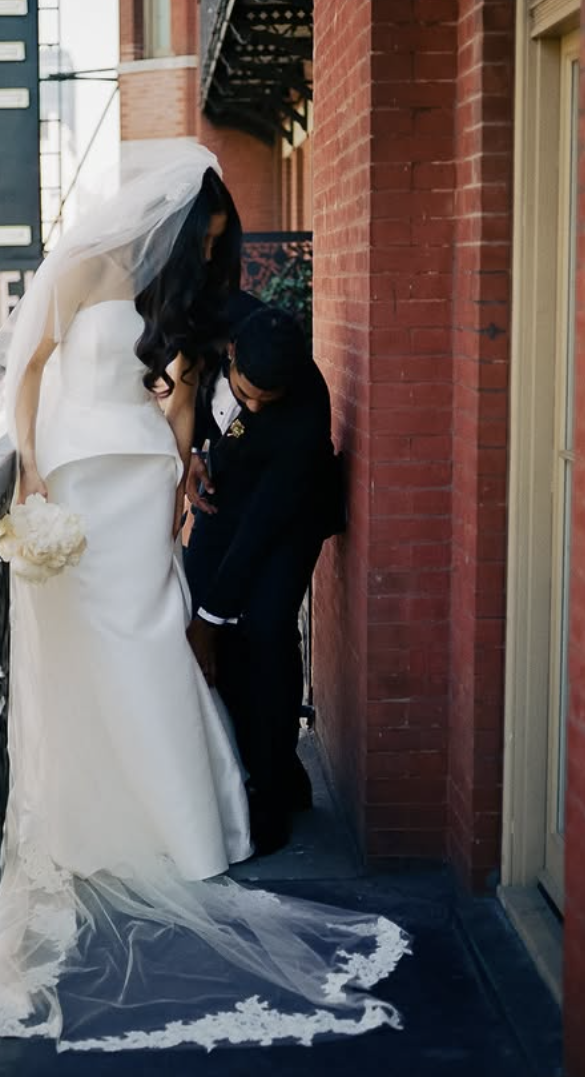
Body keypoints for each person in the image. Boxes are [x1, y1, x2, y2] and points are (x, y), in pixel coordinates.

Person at [0, 145, 407, 1051]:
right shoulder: (83, 265)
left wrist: (180, 466)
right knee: (88, 650)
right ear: (162, 222)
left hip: (140, 484)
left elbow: (178, 399)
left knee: (152, 638)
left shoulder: (179, 307)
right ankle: (102, 815)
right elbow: (31, 369)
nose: (208, 257)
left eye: (214, 245)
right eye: (200, 240)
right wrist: (33, 467)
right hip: (77, 477)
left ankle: (186, 825)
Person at [184, 304, 346, 858]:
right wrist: (191, 454)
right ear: (230, 352)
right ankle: (257, 762)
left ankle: (273, 793)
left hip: (291, 511)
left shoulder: (302, 417)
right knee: (204, 599)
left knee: (266, 628)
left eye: (262, 402)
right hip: (232, 484)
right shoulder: (215, 331)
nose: (250, 405)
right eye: (244, 393)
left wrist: (209, 621)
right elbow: (201, 404)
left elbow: (260, 529)